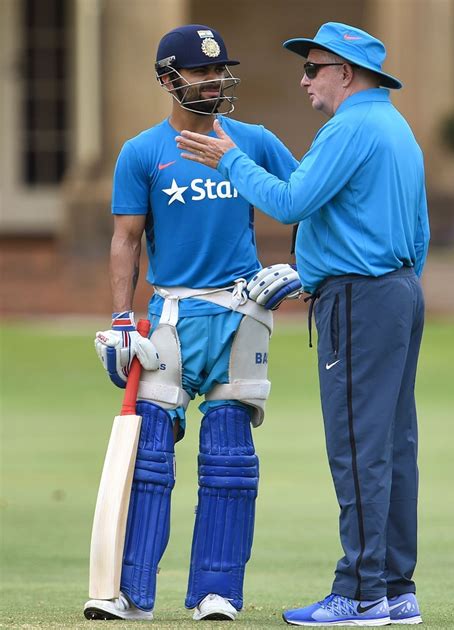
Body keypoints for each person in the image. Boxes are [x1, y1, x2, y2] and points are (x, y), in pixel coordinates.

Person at [176, 21, 429, 627]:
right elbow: (417, 234)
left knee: (357, 446)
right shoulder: (397, 128)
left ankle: (361, 593)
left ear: (346, 73)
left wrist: (231, 159)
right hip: (397, 292)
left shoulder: (349, 127)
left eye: (313, 68)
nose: (304, 78)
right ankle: (394, 588)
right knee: (393, 444)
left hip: (359, 300)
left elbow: (290, 202)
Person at [84, 24, 299, 622]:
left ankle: (217, 592)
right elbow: (126, 238)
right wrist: (123, 320)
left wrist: (299, 269)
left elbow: (308, 198)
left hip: (241, 310)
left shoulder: (253, 140)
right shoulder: (142, 152)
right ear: (167, 80)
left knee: (229, 458)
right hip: (171, 316)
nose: (213, 81)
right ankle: (130, 592)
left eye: (218, 70)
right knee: (151, 455)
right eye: (200, 72)